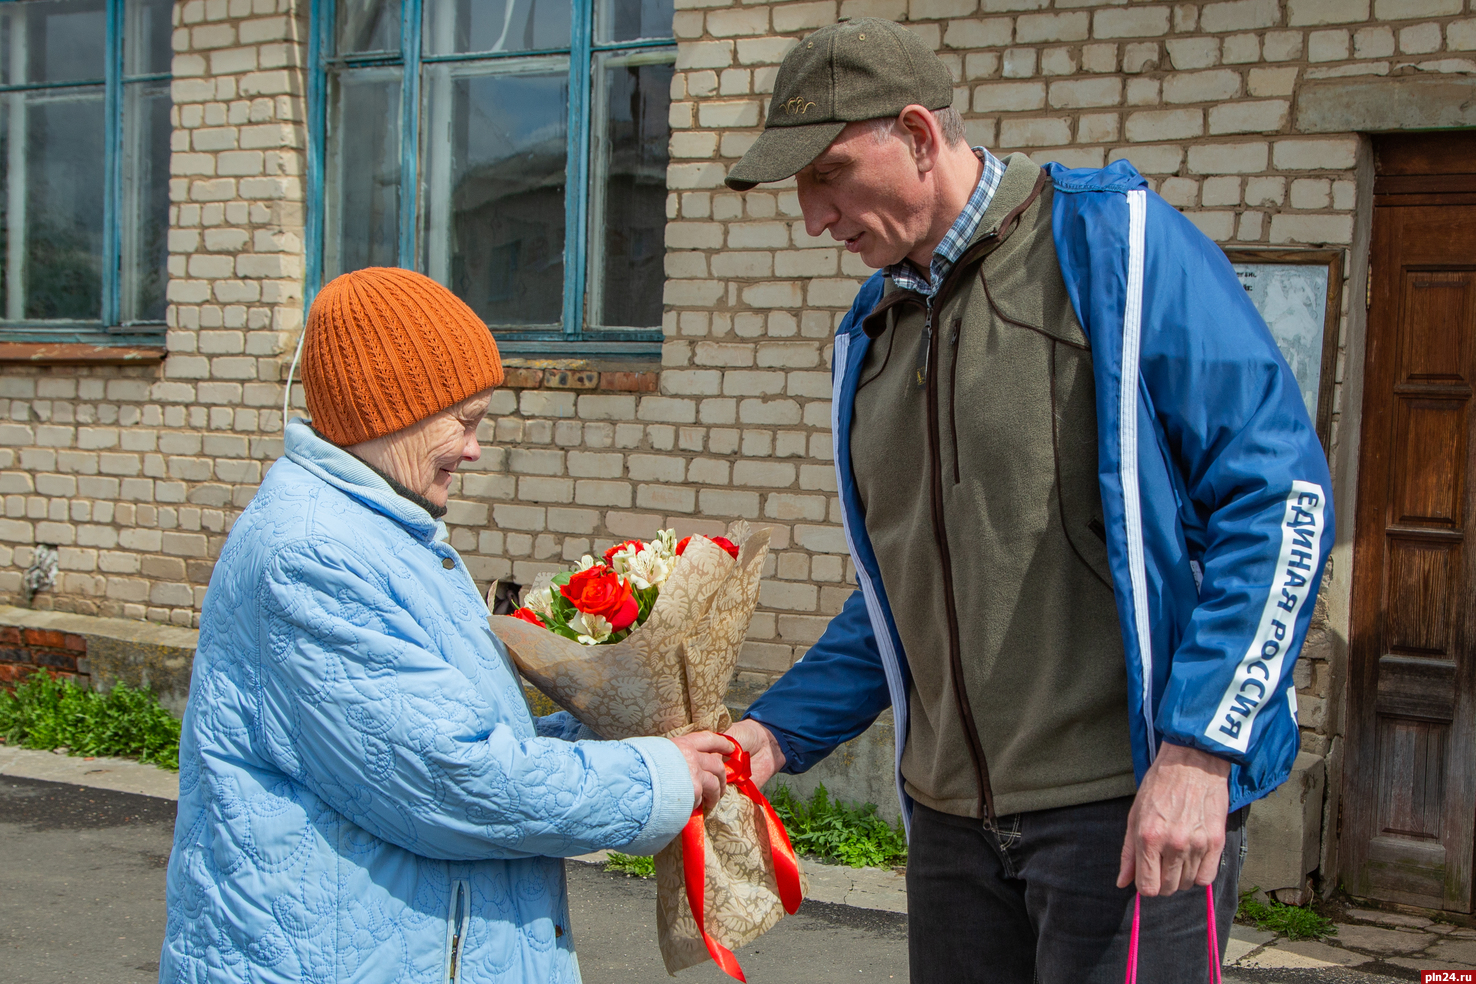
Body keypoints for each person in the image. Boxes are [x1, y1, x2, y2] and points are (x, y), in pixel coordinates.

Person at [721, 19, 1334, 984]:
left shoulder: (1114, 248)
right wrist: (771, 731)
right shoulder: (871, 334)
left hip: (1124, 812)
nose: (813, 215)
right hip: (954, 833)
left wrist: (1199, 754)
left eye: (828, 173)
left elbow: (1280, 501)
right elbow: (904, 589)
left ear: (919, 135)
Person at [160, 267, 732, 982]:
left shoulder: (385, 532)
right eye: (464, 421)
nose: (474, 450)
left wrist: (619, 730)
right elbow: (450, 780)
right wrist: (656, 776)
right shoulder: (312, 554)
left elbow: (454, 733)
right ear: (385, 412)